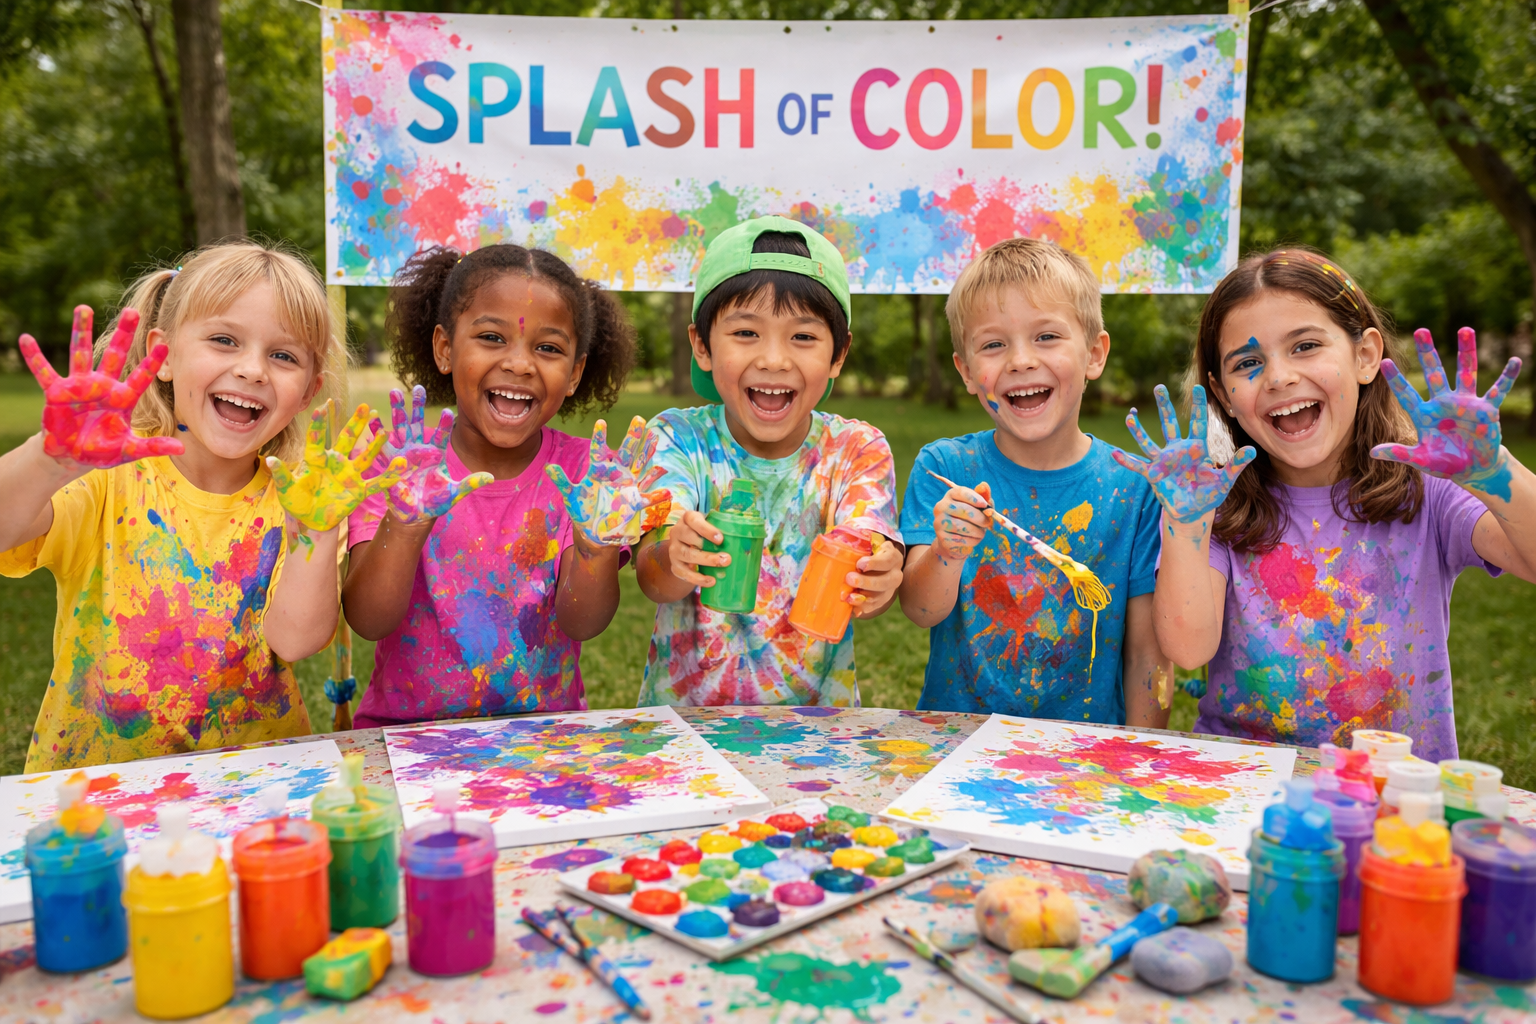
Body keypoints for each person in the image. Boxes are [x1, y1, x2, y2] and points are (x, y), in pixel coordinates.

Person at [1126, 248, 1536, 760]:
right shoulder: (1217, 506)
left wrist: (1493, 472)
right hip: (1247, 784)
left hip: (1393, 787)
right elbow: (1187, 649)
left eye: (1305, 346)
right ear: (1223, 395)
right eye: (1249, 363)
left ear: (1365, 356)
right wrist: (1186, 524)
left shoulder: (1427, 491)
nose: (1278, 377)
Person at [0, 241, 377, 771]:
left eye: (283, 356)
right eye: (224, 340)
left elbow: (296, 640)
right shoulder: (108, 482)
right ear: (165, 356)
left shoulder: (301, 502)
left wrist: (312, 531)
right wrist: (50, 459)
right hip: (95, 793)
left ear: (309, 390)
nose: (252, 370)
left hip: (255, 786)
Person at [342, 244, 663, 726]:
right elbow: (368, 621)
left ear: (575, 372)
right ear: (445, 349)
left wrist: (595, 547)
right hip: (406, 737)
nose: (520, 364)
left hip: (540, 737)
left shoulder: (583, 478)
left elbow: (583, 623)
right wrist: (405, 525)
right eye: (492, 337)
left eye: (548, 348)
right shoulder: (401, 468)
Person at [899, 237, 1171, 726]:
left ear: (1094, 354)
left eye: (1046, 337)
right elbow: (920, 610)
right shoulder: (946, 468)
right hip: (953, 746)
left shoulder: (1137, 489)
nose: (1020, 360)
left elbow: (1146, 657)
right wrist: (947, 552)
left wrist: (1139, 761)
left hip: (1083, 756)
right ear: (965, 370)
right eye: (993, 344)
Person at [635, 216, 903, 706]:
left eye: (803, 337)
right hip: (685, 729)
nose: (775, 360)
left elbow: (869, 562)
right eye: (746, 332)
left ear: (838, 354)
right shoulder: (678, 439)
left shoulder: (856, 450)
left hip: (817, 735)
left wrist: (880, 577)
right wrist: (673, 554)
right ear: (702, 346)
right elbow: (653, 578)